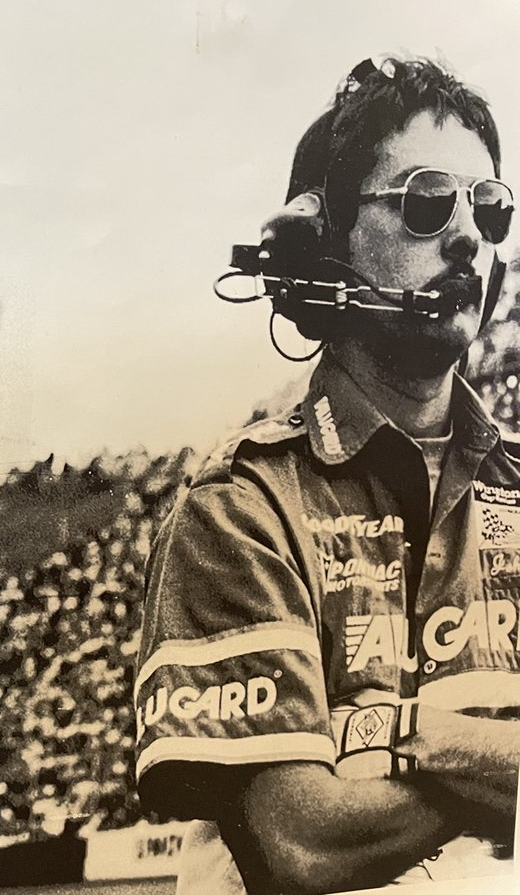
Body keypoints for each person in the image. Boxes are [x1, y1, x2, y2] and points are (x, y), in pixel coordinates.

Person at [135, 56, 520, 894]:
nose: (467, 236)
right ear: (322, 242)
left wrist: (400, 737)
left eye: (490, 209)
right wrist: (483, 752)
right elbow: (304, 842)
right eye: (426, 201)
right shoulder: (239, 509)